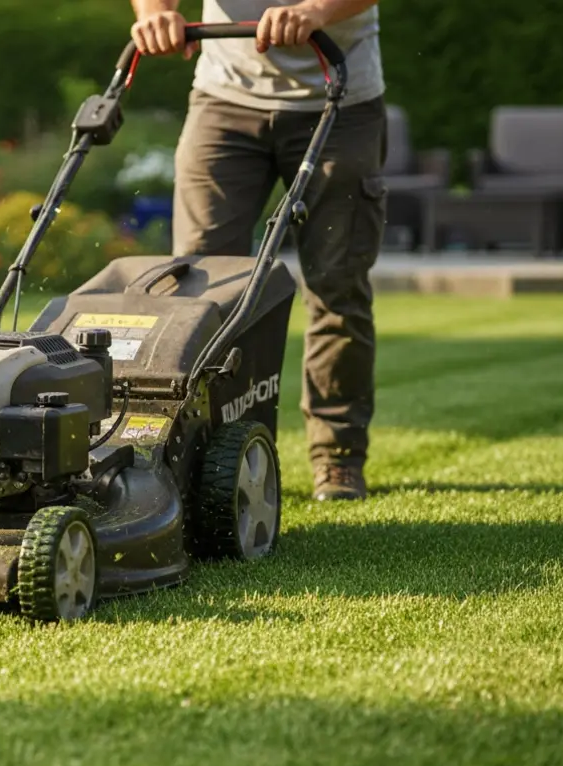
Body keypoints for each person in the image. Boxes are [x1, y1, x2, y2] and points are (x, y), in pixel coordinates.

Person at [130, 0, 386, 501]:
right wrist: (155, 13)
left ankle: (338, 456)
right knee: (198, 289)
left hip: (338, 96)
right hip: (223, 100)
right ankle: (198, 456)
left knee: (337, 284)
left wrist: (316, 10)